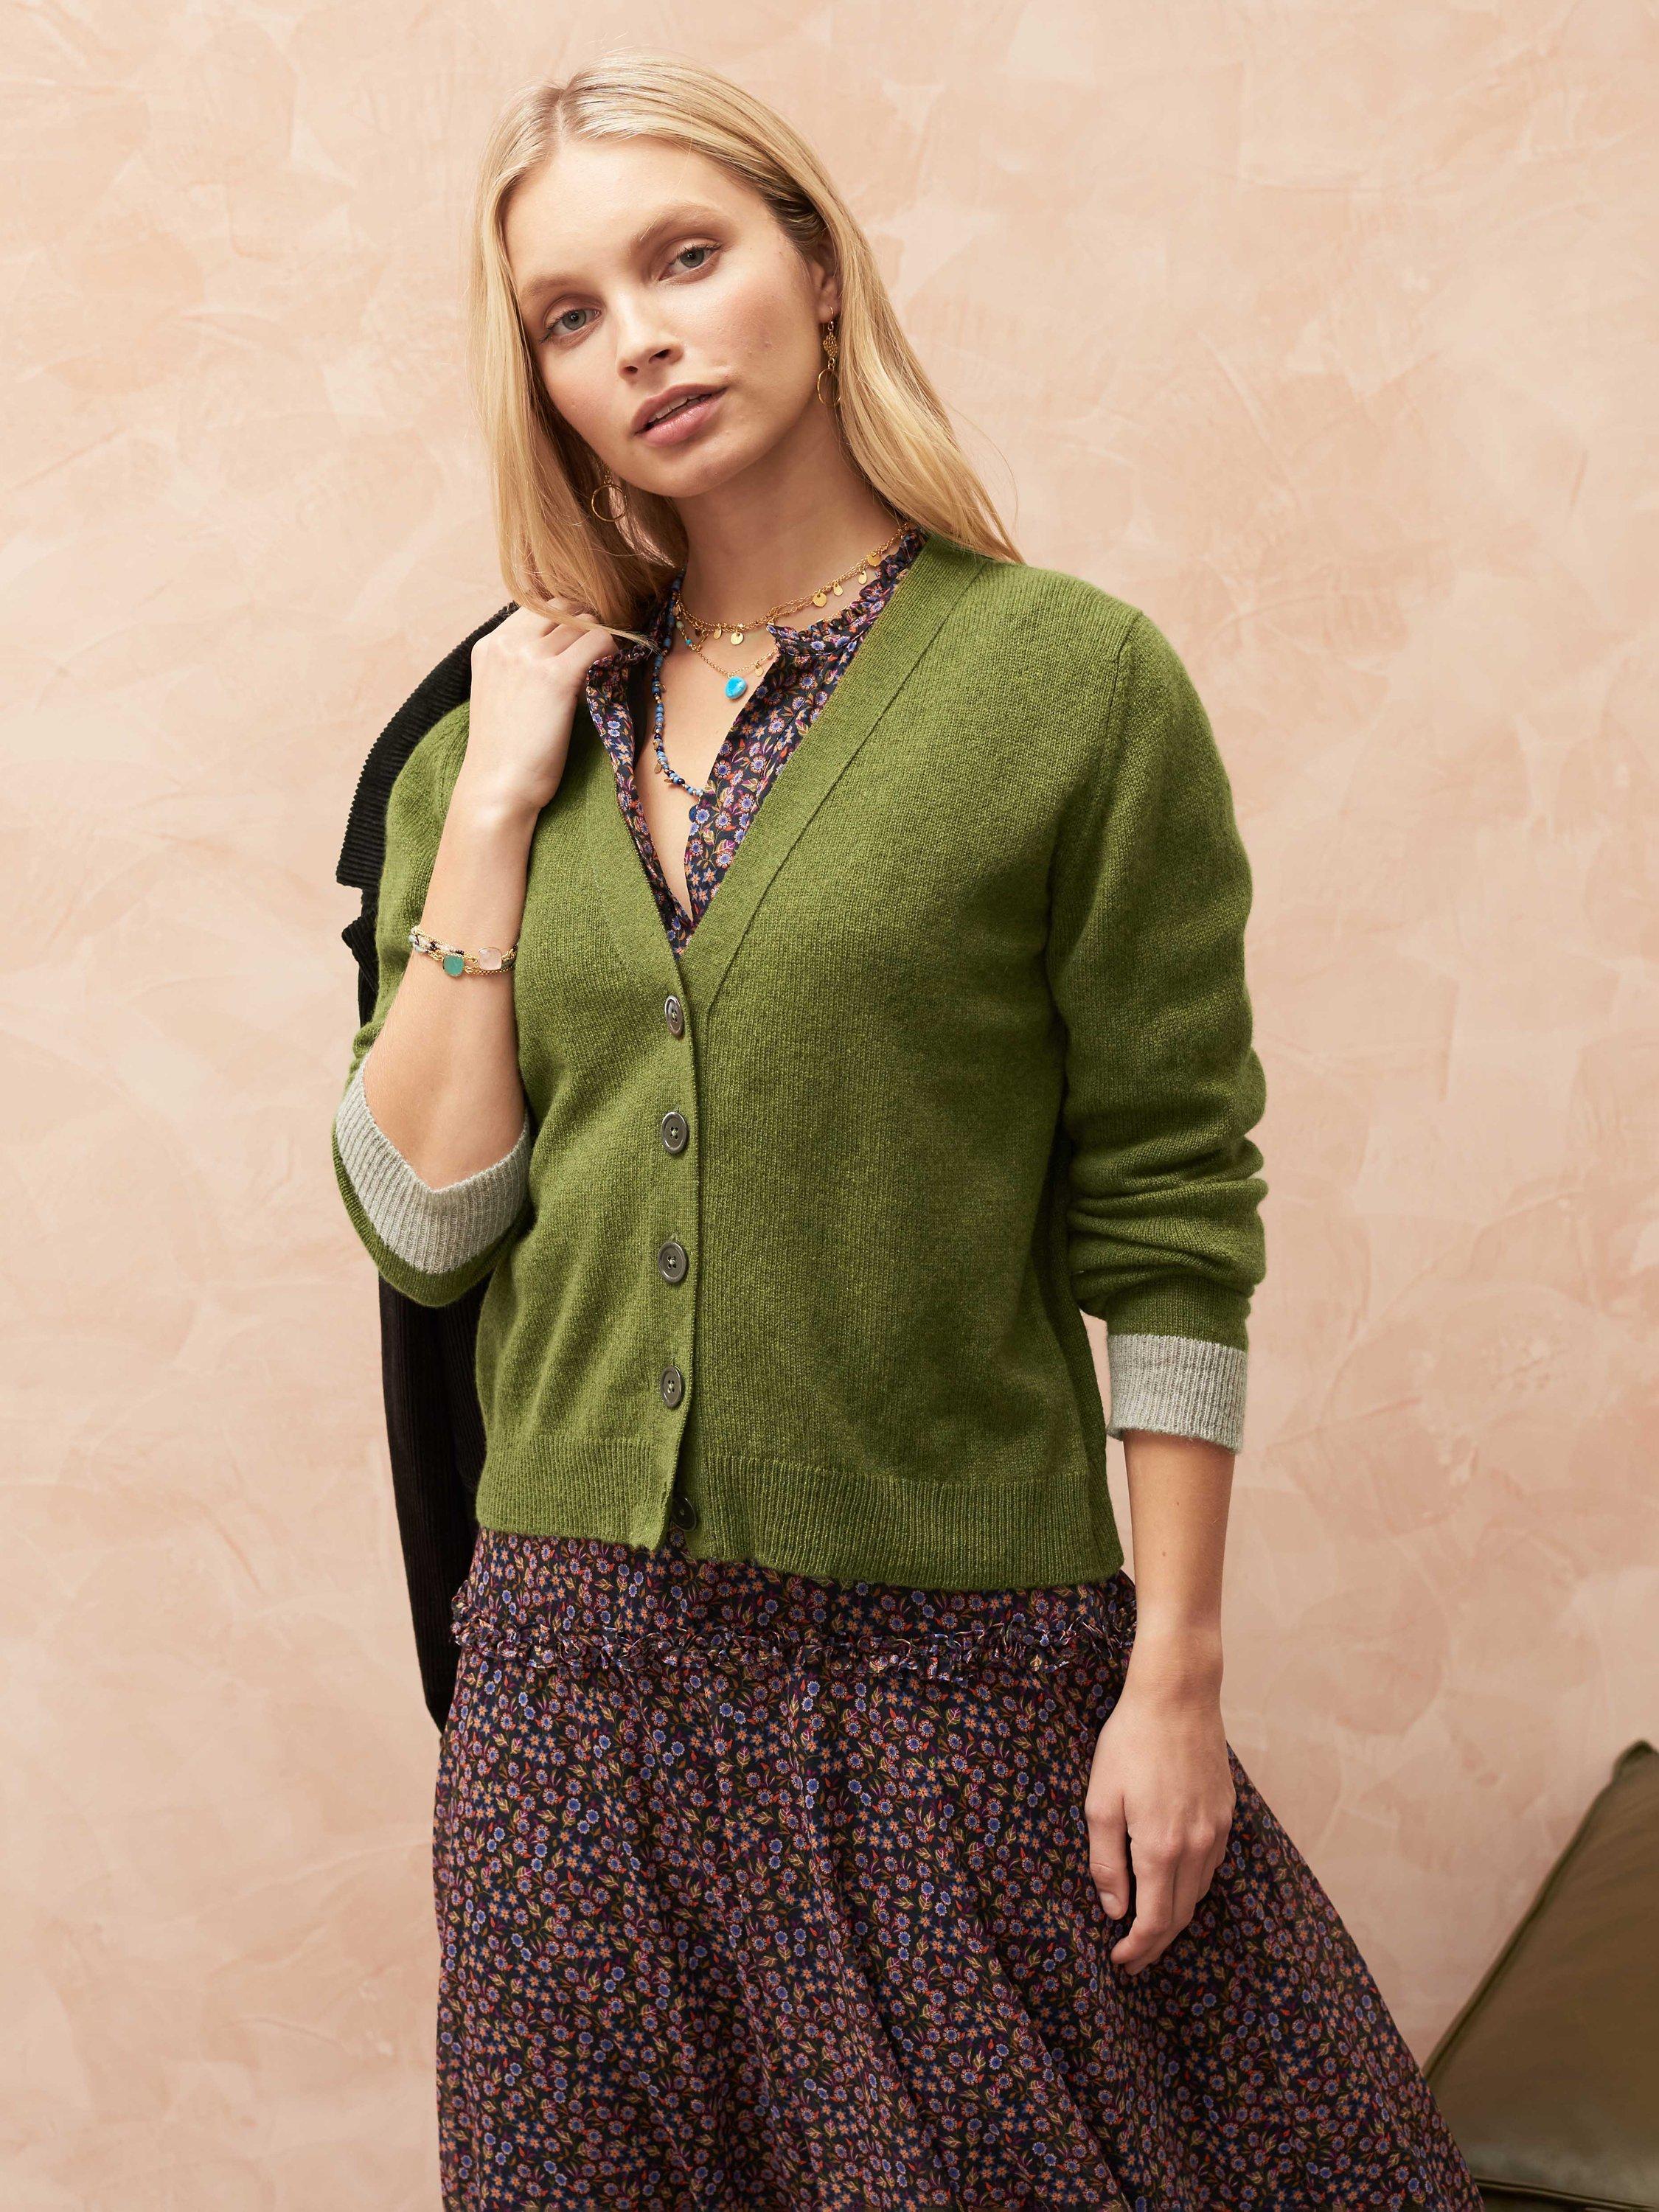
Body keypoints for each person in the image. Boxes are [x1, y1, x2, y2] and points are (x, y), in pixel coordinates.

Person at [330, 49, 1484, 2212]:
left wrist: (1173, 1673)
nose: (641, 338)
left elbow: (1170, 1206)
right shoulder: (490, 739)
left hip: (954, 1666)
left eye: (686, 259)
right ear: (541, 383)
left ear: (819, 269)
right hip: (571, 1689)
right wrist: (489, 805)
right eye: (571, 315)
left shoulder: (1068, 683)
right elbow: (424, 1221)